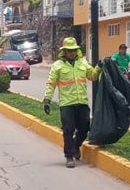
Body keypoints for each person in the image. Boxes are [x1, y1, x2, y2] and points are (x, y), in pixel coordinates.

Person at [43, 37, 100, 168]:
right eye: (69, 51)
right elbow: (51, 84)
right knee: (68, 129)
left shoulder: (83, 63)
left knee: (85, 128)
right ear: (64, 51)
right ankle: (69, 156)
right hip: (67, 103)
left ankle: (75, 145)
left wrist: (99, 68)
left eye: (74, 50)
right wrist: (47, 100)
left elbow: (92, 76)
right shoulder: (57, 66)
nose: (71, 53)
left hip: (82, 102)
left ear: (77, 50)